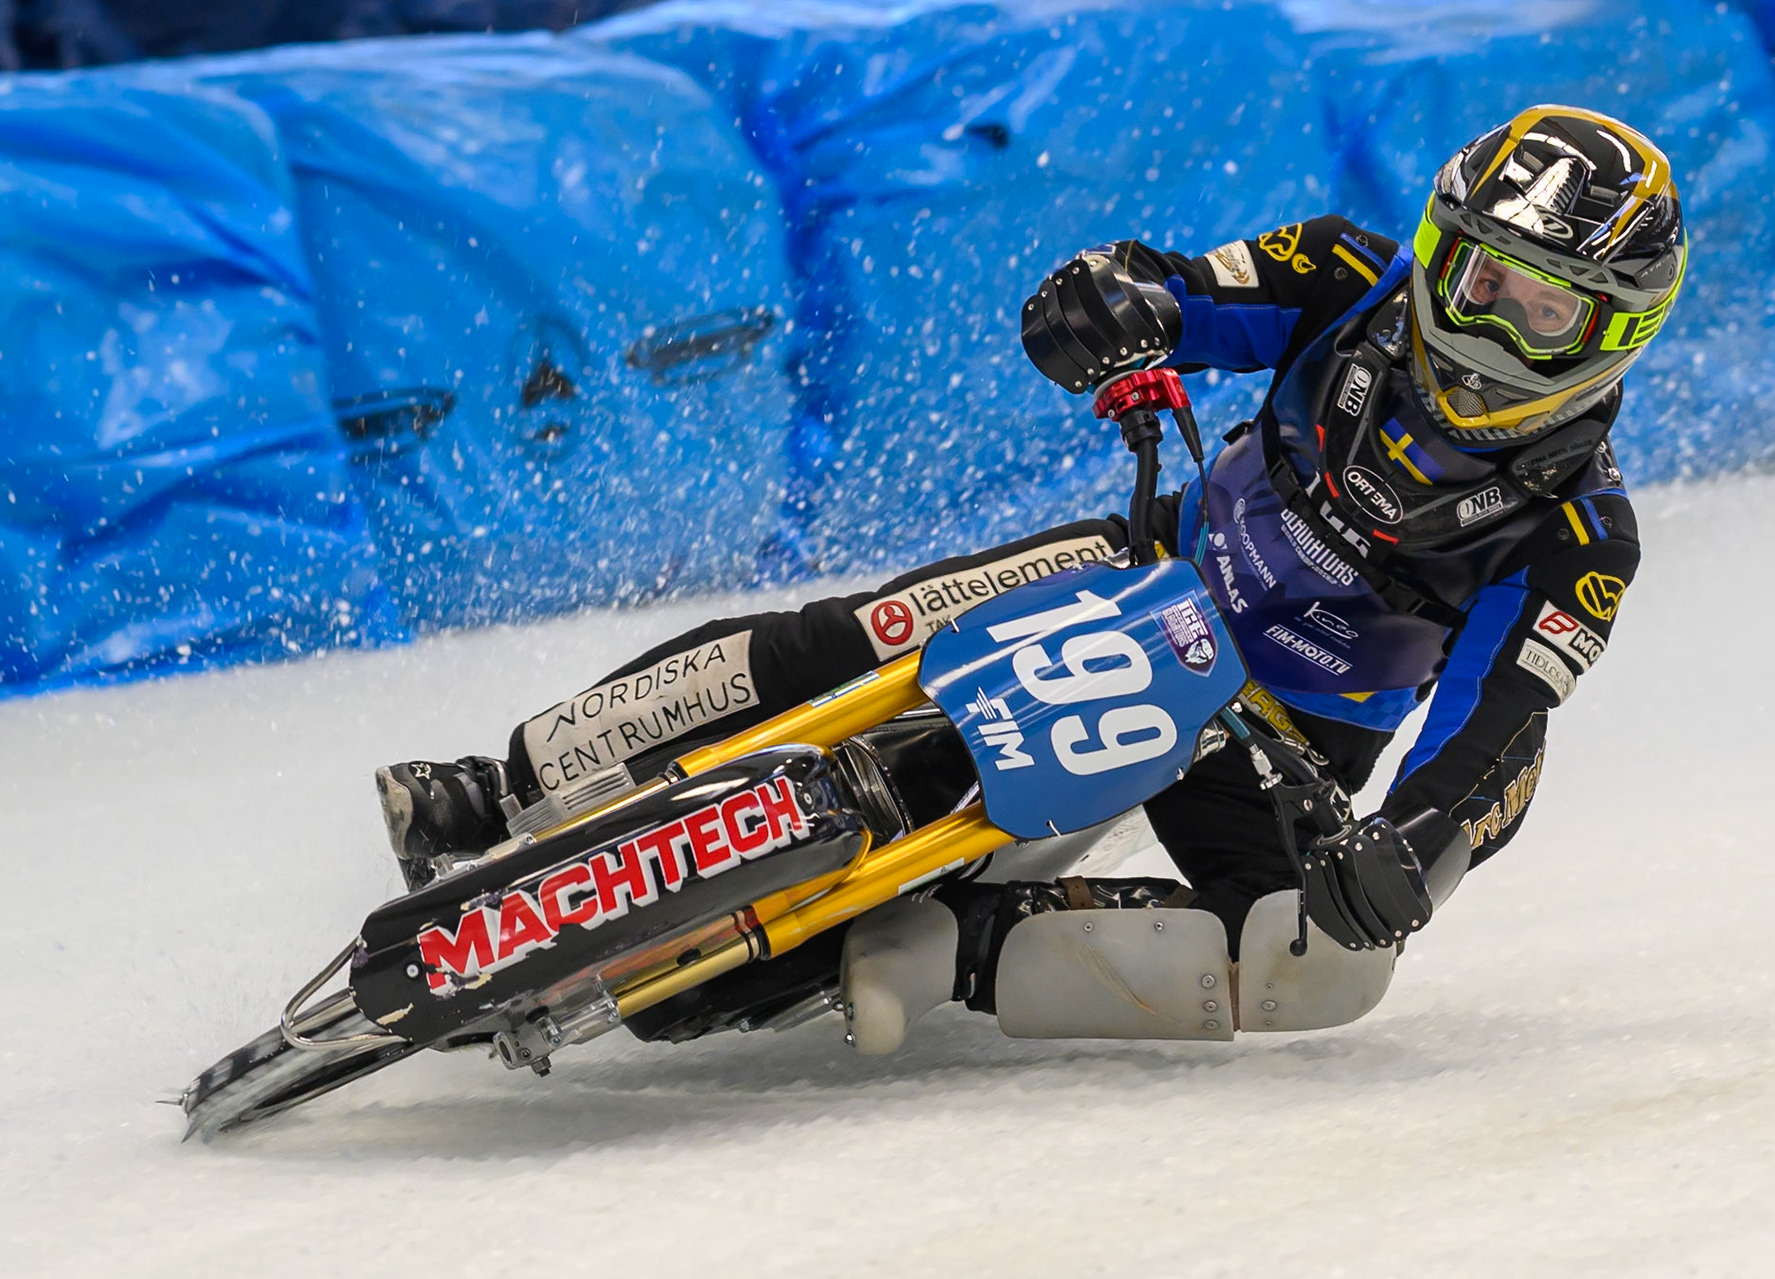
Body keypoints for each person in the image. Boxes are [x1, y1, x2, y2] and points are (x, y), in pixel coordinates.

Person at [375, 106, 1685, 1030]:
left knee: (1327, 972)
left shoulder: (1582, 537)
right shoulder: (1346, 272)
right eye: (1469, 276)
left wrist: (1417, 842)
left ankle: (940, 952)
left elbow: (1500, 725)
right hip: (1149, 575)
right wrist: (1104, 302)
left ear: (1614, 332)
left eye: (1539, 308)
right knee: (857, 634)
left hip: (1280, 741)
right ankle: (500, 788)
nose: (1478, 325)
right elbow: (1174, 286)